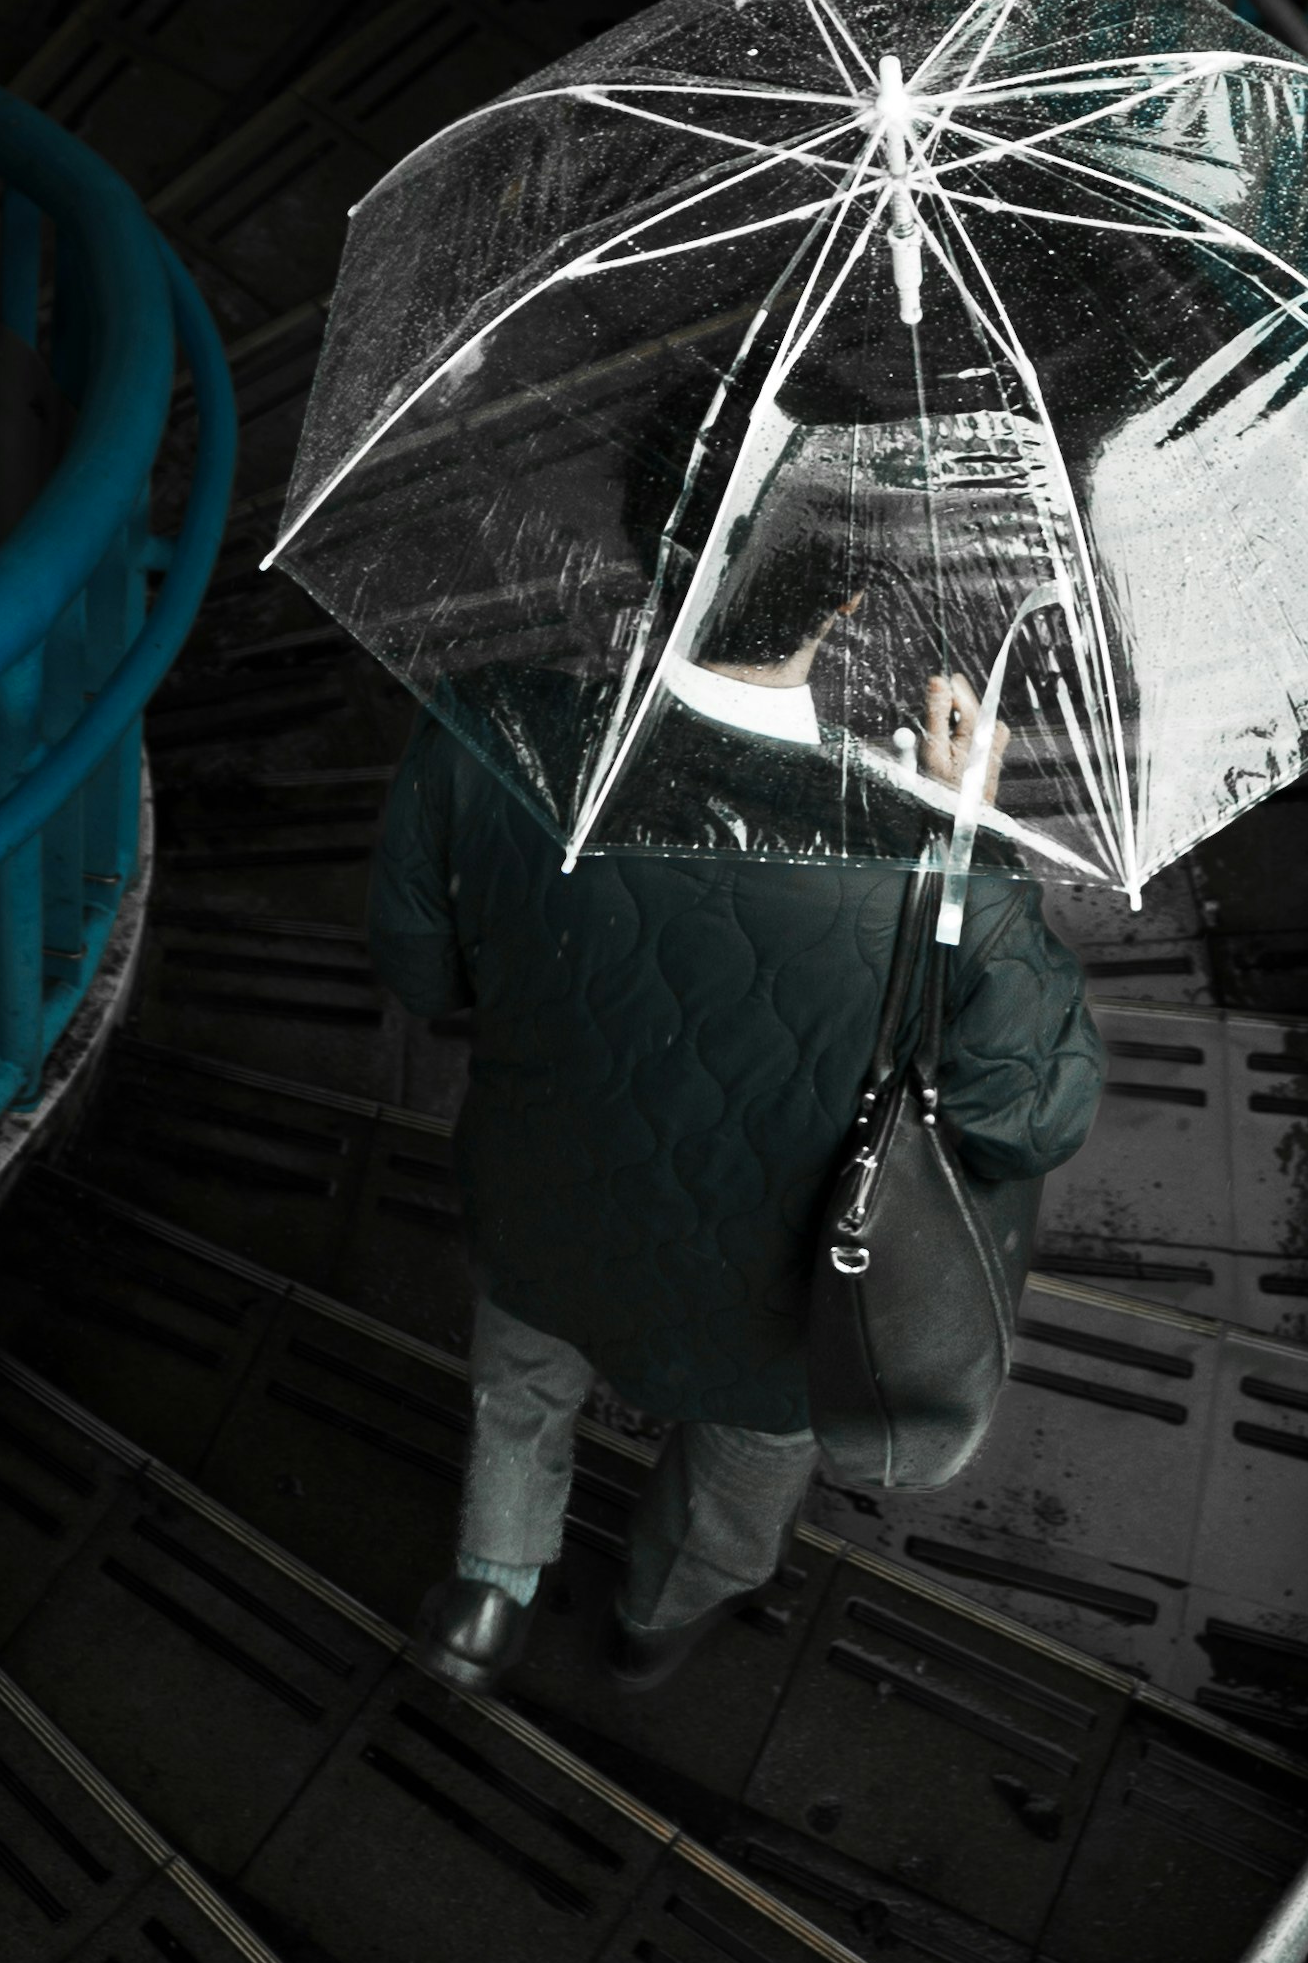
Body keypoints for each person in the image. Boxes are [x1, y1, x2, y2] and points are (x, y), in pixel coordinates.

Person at [368, 582, 1103, 1704]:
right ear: (843, 599)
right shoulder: (924, 861)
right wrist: (969, 846)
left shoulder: (488, 726)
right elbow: (1029, 1118)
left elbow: (425, 976)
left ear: (658, 551)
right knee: (752, 1448)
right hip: (779, 1284)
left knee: (523, 1379)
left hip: (541, 1201)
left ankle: (486, 1597)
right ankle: (657, 1623)